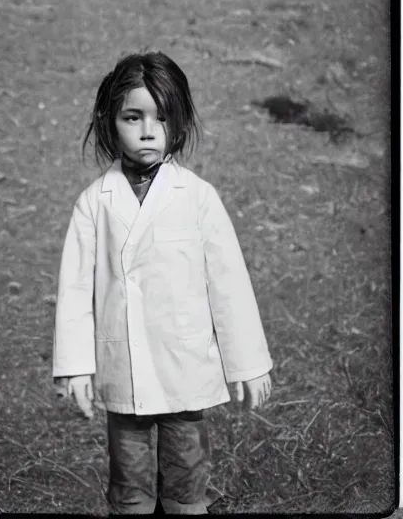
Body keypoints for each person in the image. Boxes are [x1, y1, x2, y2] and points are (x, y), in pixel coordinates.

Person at [53, 51, 273, 515]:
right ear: (109, 121)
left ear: (180, 122)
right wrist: (75, 365)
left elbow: (228, 284)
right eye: (133, 117)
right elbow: (75, 292)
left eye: (162, 117)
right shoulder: (95, 203)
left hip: (183, 364)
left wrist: (248, 363)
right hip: (124, 364)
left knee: (187, 477)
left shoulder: (197, 198)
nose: (148, 130)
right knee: (129, 484)